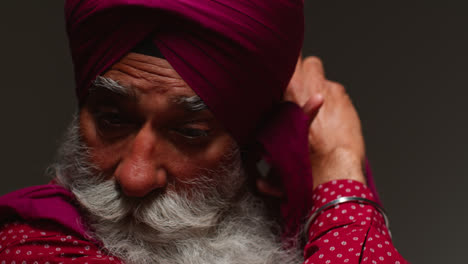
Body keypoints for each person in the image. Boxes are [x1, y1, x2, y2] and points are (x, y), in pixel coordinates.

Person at [0, 0, 409, 263]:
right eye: (112, 120)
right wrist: (339, 170)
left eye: (189, 132)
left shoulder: (282, 211)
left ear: (244, 140)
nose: (135, 177)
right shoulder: (33, 247)